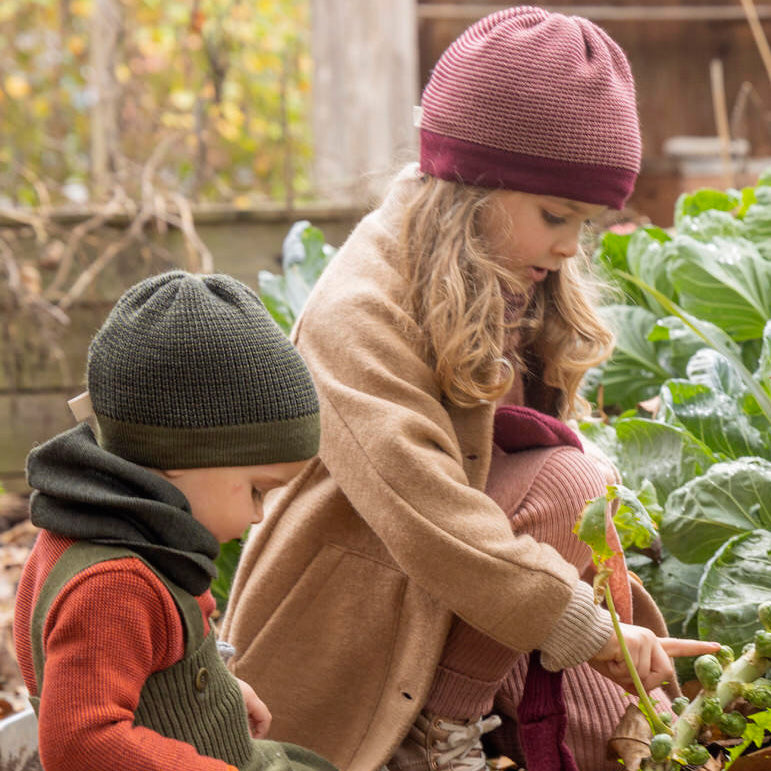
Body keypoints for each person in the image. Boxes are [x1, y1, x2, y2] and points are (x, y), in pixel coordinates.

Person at [221, 7, 720, 771]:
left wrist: (616, 637)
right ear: (469, 183)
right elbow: (427, 509)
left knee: (604, 736)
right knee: (565, 482)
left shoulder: (504, 273)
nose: (566, 246)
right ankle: (436, 732)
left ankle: (480, 713)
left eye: (584, 224)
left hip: (462, 590)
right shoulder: (361, 307)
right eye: (555, 215)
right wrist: (582, 624)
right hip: (350, 604)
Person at [13, 271, 337, 771]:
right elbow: (81, 744)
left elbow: (152, 662)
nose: (257, 514)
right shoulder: (113, 582)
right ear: (179, 455)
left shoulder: (102, 526)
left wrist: (220, 692)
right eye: (256, 490)